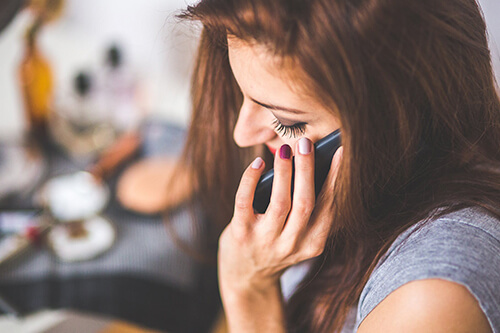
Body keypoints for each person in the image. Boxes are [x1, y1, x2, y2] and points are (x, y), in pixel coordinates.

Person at [171, 0, 500, 331]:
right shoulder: (360, 195)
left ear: (400, 124)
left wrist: (249, 290)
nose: (241, 134)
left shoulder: (432, 301)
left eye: (287, 122)